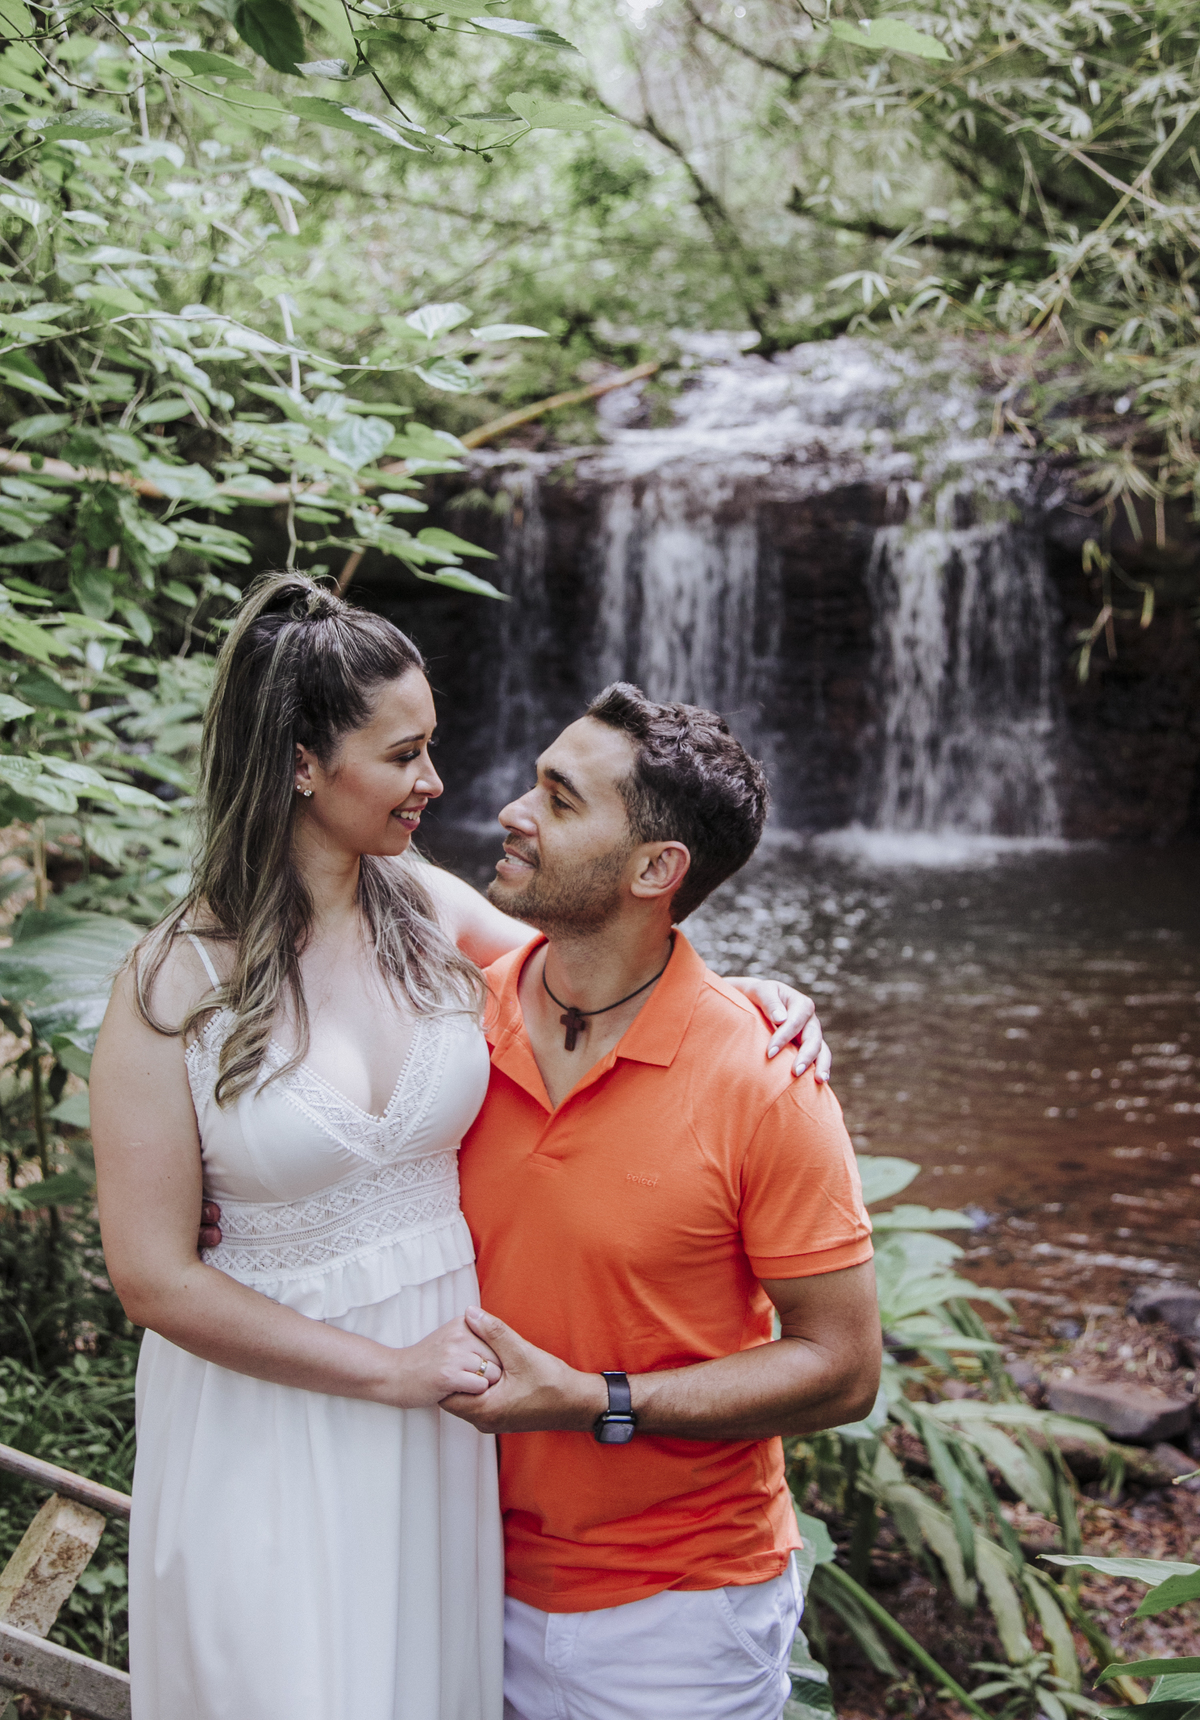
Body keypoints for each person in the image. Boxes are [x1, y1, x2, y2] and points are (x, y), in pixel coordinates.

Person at [91, 572, 832, 1720]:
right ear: (301, 763)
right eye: (404, 755)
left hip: (443, 1440)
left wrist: (756, 1000)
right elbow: (151, 1277)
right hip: (276, 1410)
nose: (439, 783)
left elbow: (612, 956)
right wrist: (390, 1373)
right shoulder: (168, 985)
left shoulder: (423, 909)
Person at [441, 683, 881, 1720]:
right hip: (447, 1565)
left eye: (558, 798)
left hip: (676, 1613)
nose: (511, 810)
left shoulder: (764, 1080)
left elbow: (843, 1368)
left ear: (655, 869)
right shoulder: (446, 1021)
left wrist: (599, 1400)